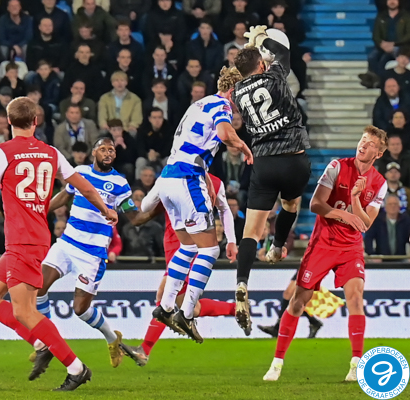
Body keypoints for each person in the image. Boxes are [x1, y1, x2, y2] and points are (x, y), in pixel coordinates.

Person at [0, 97, 118, 390]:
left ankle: (76, 367)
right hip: (34, 238)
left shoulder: (3, 152)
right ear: (35, 121)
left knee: (23, 311)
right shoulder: (51, 153)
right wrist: (106, 210)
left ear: (8, 123)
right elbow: (85, 187)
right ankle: (41, 343)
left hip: (22, 241)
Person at [262, 127, 388, 382]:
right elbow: (316, 204)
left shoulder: (379, 183)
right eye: (362, 140)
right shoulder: (337, 166)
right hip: (323, 244)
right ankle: (276, 363)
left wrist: (355, 198)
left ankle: (356, 364)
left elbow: (365, 224)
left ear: (379, 153)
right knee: (298, 301)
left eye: (370, 144)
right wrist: (343, 214)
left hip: (351, 247)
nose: (363, 145)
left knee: (356, 298)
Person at [151, 67, 252, 342]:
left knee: (188, 247)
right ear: (234, 90)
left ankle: (165, 306)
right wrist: (243, 147)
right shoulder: (222, 105)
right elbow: (224, 132)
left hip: (168, 177)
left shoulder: (200, 103)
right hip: (189, 178)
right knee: (210, 250)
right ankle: (186, 313)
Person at [231, 26, 311, 334]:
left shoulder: (238, 92)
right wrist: (261, 38)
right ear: (261, 65)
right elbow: (283, 52)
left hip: (263, 163)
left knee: (250, 232)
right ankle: (277, 247)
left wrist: (251, 47)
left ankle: (241, 282)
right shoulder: (275, 76)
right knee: (290, 205)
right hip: (293, 158)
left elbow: (246, 70)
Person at [37, 137, 138, 368]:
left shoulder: (120, 183)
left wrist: (152, 207)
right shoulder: (80, 172)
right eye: (103, 149)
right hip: (67, 243)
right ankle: (47, 342)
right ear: (94, 152)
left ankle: (112, 338)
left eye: (111, 150)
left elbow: (131, 213)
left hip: (92, 253)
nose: (108, 153)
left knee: (80, 310)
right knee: (38, 287)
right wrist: (41, 211)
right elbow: (65, 195)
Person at [120, 172, 239, 366]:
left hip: (188, 249)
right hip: (174, 248)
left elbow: (141, 215)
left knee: (164, 295)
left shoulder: (177, 179)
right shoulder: (178, 179)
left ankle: (144, 350)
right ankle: (235, 309)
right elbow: (142, 215)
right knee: (188, 304)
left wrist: (123, 201)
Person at [135, 107, 173, 179]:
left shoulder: (168, 129)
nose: (157, 120)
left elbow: (169, 147)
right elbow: (139, 147)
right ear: (150, 119)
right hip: (147, 156)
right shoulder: (143, 128)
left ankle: (168, 183)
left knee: (169, 161)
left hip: (162, 156)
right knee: (140, 161)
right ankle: (138, 184)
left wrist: (158, 154)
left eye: (159, 117)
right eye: (154, 118)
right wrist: (147, 154)